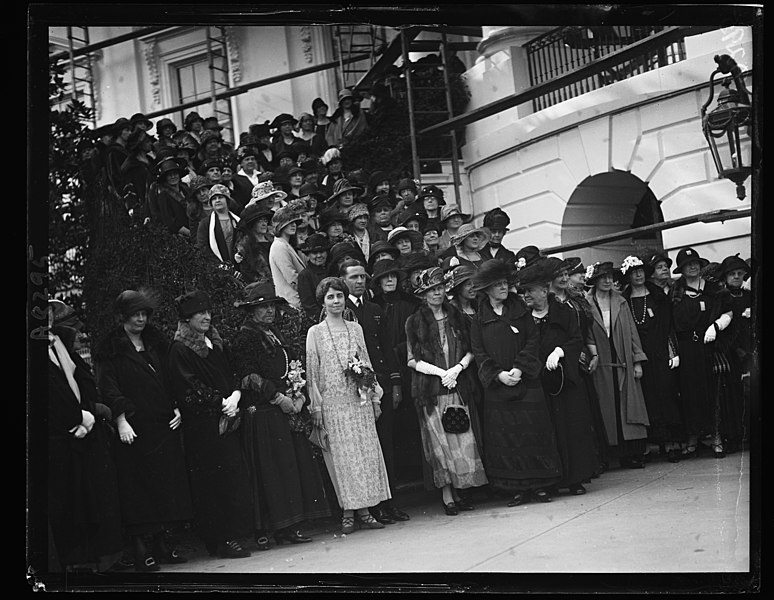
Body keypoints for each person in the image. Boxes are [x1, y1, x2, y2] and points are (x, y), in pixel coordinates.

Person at [94, 290, 193, 571]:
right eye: (134, 314)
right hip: (134, 430)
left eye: (144, 314)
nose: (140, 319)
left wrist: (177, 407)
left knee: (164, 486)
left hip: (163, 425)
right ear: (122, 316)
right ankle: (140, 549)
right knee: (137, 490)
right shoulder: (109, 349)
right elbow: (107, 386)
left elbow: (172, 377)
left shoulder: (156, 342)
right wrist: (121, 419)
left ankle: (162, 545)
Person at [230, 282, 331, 550]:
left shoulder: (272, 333)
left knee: (288, 468)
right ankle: (272, 528)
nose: (269, 311)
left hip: (285, 410)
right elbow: (249, 377)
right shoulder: (245, 338)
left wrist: (298, 395)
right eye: (262, 307)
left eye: (271, 306)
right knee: (270, 473)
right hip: (263, 412)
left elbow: (291, 366)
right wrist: (279, 398)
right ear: (251, 312)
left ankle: (290, 527)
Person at [167, 291, 253, 559]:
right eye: (199, 313)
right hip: (203, 428)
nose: (206, 317)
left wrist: (236, 395)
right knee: (211, 484)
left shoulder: (215, 342)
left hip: (227, 418)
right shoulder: (180, 349)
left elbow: (232, 372)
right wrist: (220, 401)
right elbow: (188, 387)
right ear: (186, 318)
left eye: (208, 312)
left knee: (231, 477)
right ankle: (220, 540)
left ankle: (234, 534)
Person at [470, 259, 562, 506]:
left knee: (534, 432)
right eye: (497, 284)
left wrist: (520, 369)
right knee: (508, 437)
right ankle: (517, 489)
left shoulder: (520, 308)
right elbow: (479, 352)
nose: (503, 288)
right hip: (498, 386)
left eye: (504, 283)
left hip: (526, 382)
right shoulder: (479, 318)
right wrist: (498, 374)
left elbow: (533, 340)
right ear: (487, 288)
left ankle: (540, 485)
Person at [306, 277, 392, 534]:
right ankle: (347, 512)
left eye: (339, 296)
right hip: (333, 407)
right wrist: (316, 407)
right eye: (330, 297)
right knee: (342, 460)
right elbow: (312, 371)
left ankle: (366, 511)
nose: (335, 301)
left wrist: (374, 398)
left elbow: (366, 363)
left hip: (359, 403)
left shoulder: (356, 329)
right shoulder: (316, 332)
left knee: (364, 457)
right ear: (323, 301)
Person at [48, 300, 124, 573]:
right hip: (62, 437)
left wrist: (88, 413)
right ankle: (79, 562)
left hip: (84, 432)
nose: (78, 334)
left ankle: (102, 558)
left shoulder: (59, 346)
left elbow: (81, 382)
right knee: (71, 503)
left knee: (92, 499)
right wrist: (80, 417)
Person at [405, 267, 488, 514]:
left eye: (440, 288)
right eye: (431, 290)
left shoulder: (457, 316)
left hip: (458, 386)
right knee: (439, 444)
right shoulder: (414, 321)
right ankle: (448, 495)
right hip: (431, 391)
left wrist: (457, 369)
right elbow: (411, 359)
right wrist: (440, 373)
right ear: (423, 294)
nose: (437, 293)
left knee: (462, 439)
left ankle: (462, 490)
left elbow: (473, 349)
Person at [516, 261, 600, 495]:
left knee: (572, 428)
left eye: (530, 291)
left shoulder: (565, 312)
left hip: (566, 380)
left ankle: (575, 479)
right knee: (547, 431)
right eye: (524, 292)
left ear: (544, 290)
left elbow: (575, 338)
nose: (527, 296)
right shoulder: (524, 317)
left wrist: (560, 351)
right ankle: (551, 480)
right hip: (539, 381)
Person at [340, 260, 410, 524]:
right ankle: (374, 506)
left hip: (380, 384)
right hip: (358, 389)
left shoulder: (374, 309)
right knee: (367, 450)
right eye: (354, 277)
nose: (359, 281)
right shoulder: (340, 309)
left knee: (387, 446)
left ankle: (391, 503)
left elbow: (387, 347)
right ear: (343, 280)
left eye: (362, 277)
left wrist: (394, 383)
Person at [584, 261, 651, 468]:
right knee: (606, 407)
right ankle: (609, 455)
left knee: (627, 405)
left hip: (623, 360)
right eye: (602, 277)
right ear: (594, 281)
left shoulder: (621, 302)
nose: (607, 281)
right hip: (600, 363)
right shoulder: (586, 303)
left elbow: (632, 333)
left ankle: (630, 454)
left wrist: (637, 361)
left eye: (610, 277)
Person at [669, 247, 734, 459]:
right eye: (688, 264)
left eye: (695, 263)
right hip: (686, 350)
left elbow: (729, 311)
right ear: (682, 269)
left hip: (710, 347)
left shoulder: (714, 289)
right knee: (689, 394)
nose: (693, 266)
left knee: (713, 392)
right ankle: (693, 437)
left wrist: (716, 327)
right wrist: (674, 351)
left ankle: (716, 437)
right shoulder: (675, 292)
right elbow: (669, 323)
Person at [620, 255, 684, 463]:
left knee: (666, 393)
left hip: (660, 351)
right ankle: (654, 442)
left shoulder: (658, 296)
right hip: (638, 352)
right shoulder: (624, 299)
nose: (638, 275)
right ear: (628, 276)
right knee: (646, 396)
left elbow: (669, 325)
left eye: (641, 271)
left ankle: (673, 442)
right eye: (633, 272)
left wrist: (672, 350)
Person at [715, 253, 752, 454]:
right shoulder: (721, 297)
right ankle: (733, 435)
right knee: (731, 395)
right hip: (729, 353)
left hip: (749, 351)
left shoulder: (748, 296)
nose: (737, 277)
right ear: (725, 277)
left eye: (740, 274)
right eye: (732, 274)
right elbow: (717, 326)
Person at [268, 201, 308, 308]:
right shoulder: (279, 246)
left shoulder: (285, 244)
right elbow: (292, 278)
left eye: (295, 222)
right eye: (289, 223)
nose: (293, 225)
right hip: (291, 303)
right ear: (280, 226)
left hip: (295, 301)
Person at [196, 184, 241, 267]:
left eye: (220, 197)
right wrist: (220, 265)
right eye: (214, 199)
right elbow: (203, 247)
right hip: (217, 268)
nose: (217, 200)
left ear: (227, 200)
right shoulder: (205, 223)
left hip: (239, 265)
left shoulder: (238, 221)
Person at [233, 204, 273, 284]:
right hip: (261, 287)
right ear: (252, 223)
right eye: (260, 221)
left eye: (265, 220)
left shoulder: (273, 240)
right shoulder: (244, 246)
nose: (264, 224)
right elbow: (247, 273)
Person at [152, 157, 191, 237]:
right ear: (165, 178)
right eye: (169, 175)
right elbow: (169, 220)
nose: (173, 177)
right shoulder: (164, 195)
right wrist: (189, 233)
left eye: (175, 173)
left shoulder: (185, 189)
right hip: (181, 234)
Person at [297, 233, 331, 321]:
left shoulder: (331, 271)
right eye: (315, 253)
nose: (319, 256)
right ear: (308, 255)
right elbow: (309, 305)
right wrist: (325, 319)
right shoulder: (305, 275)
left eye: (322, 252)